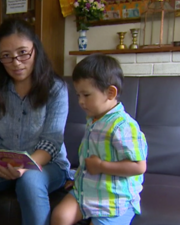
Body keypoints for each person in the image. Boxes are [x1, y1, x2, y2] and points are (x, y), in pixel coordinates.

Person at [0, 18, 71, 225]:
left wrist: (23, 166)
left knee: (29, 181)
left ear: (35, 49)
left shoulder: (56, 88)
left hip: (46, 163)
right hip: (0, 161)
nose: (16, 63)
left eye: (23, 52)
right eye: (6, 56)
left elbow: (51, 142)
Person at [51, 54, 148, 225]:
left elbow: (139, 166)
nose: (80, 101)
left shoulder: (123, 126)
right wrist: (77, 177)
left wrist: (102, 166)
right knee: (60, 217)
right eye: (78, 95)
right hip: (84, 192)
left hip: (113, 199)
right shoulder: (94, 119)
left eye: (86, 95)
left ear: (111, 93)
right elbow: (90, 155)